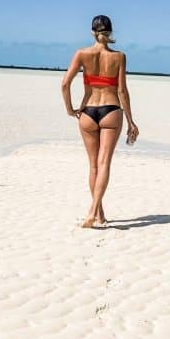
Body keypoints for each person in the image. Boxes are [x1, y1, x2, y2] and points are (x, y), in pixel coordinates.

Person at [61, 15, 139, 228]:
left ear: (92, 32)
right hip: (111, 111)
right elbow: (122, 90)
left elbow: (65, 85)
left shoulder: (82, 54)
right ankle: (93, 212)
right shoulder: (119, 57)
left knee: (93, 166)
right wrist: (131, 121)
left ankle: (99, 215)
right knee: (104, 163)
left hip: (87, 113)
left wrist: (70, 109)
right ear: (110, 32)